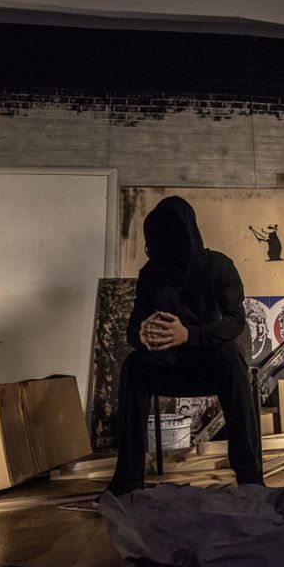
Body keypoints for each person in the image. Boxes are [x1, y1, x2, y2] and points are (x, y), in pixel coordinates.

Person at [108, 196, 263, 495]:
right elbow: (132, 331)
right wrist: (142, 336)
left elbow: (235, 323)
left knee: (231, 355)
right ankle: (127, 481)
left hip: (210, 364)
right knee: (134, 365)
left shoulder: (219, 266)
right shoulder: (151, 273)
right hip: (170, 366)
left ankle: (250, 477)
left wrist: (188, 335)